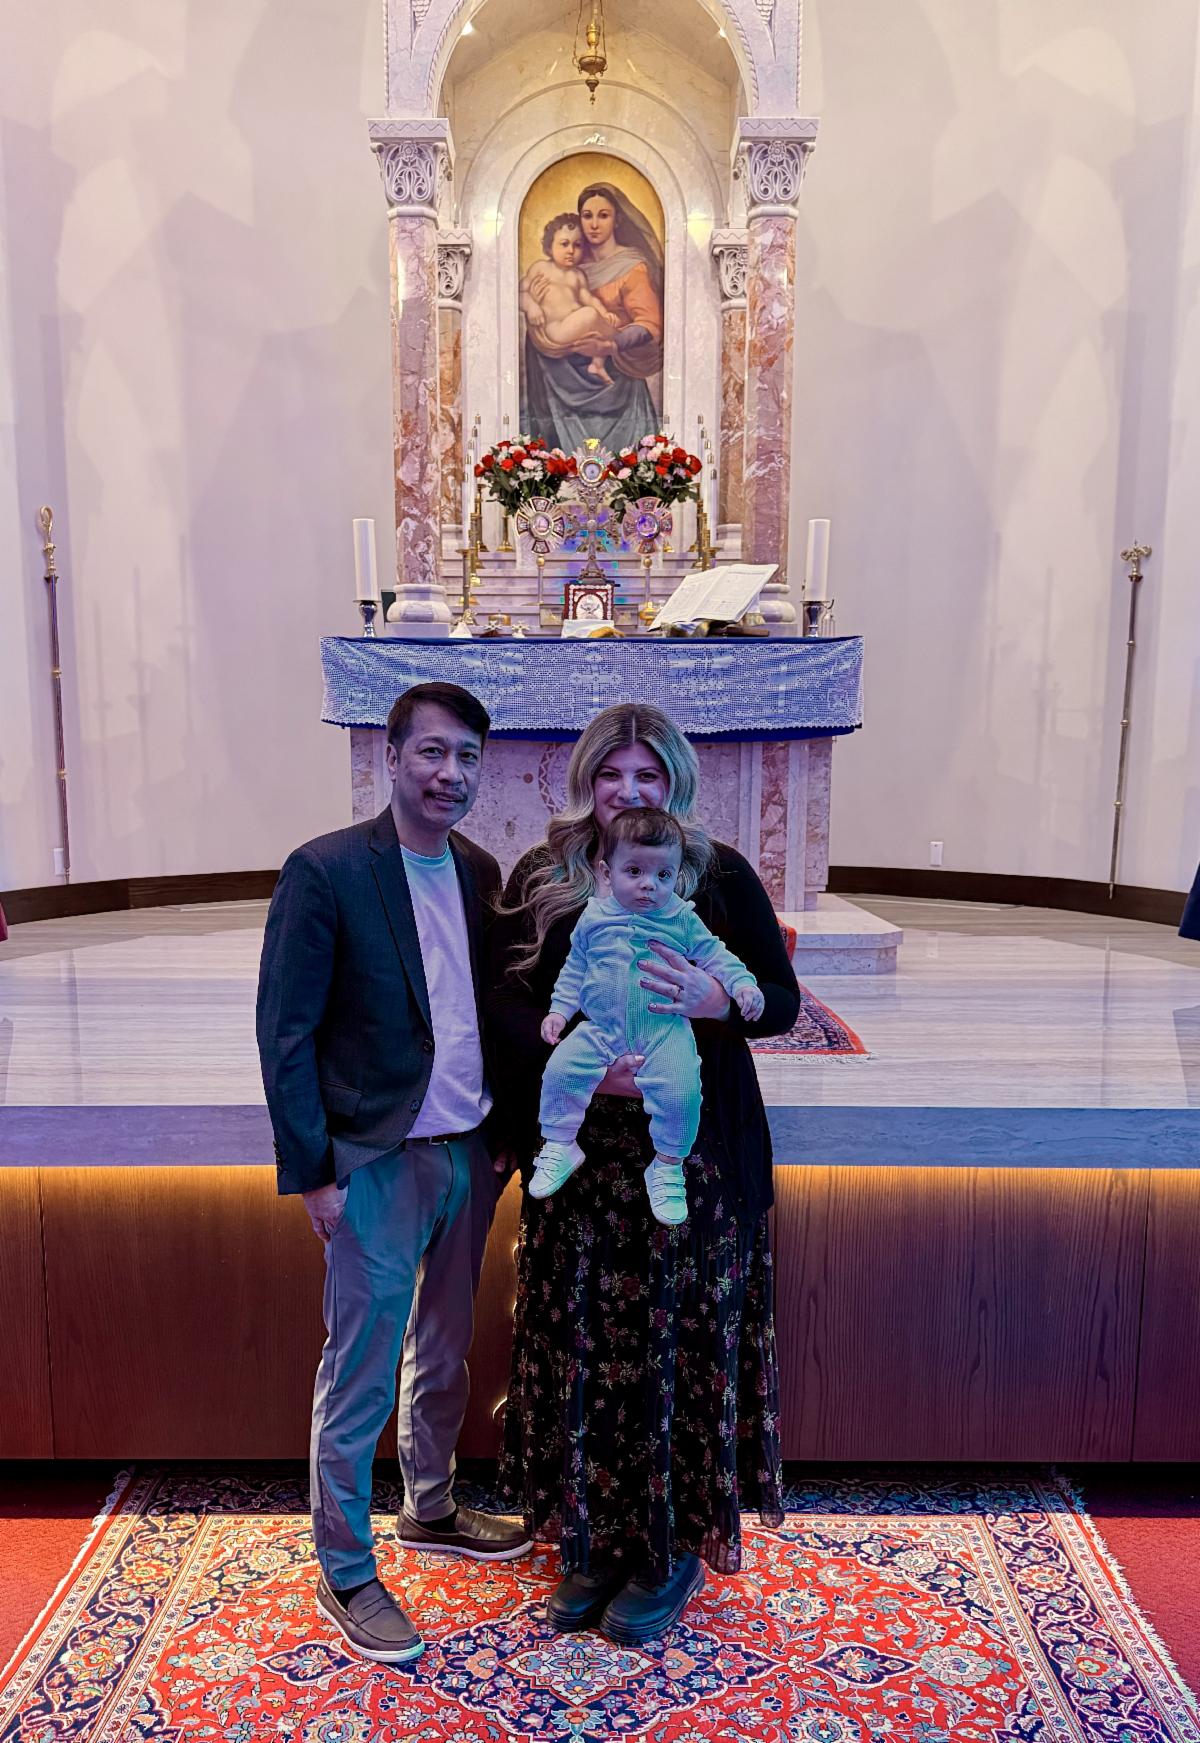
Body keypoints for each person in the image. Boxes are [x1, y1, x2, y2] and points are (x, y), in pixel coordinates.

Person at [489, 703, 798, 1645]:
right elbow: (509, 1007)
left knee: (673, 1349)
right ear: (586, 779)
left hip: (690, 1157)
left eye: (648, 775)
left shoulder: (718, 872)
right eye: (612, 774)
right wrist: (575, 1062)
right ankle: (591, 1540)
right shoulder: (545, 873)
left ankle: (664, 1550)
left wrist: (715, 1000)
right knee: (587, 1342)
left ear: (676, 783)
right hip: (584, 1159)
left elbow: (779, 999)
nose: (628, 791)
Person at [256, 681, 528, 1666]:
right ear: (393, 756)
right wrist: (314, 1172)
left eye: (467, 757)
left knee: (445, 1349)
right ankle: (344, 1568)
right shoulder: (327, 870)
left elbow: (491, 1008)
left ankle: (432, 1504)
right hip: (372, 1158)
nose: (450, 773)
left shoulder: (481, 870)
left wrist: (503, 1133)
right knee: (361, 1367)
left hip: (467, 1152)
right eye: (432, 753)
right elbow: (285, 1030)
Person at [533, 806, 764, 1224]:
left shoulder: (680, 918)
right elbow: (575, 967)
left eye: (663, 875)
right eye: (635, 871)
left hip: (664, 1030)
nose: (649, 885)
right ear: (607, 873)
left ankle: (668, 1166)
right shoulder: (594, 916)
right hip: (600, 1029)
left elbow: (717, 955)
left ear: (677, 875)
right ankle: (560, 1143)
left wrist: (742, 985)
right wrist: (558, 1011)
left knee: (682, 1092)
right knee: (560, 1072)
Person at [521, 182, 664, 456]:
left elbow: (650, 324)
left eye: (603, 215)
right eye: (587, 216)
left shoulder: (631, 267)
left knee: (627, 464)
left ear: (617, 220)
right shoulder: (568, 262)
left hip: (616, 381)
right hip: (560, 381)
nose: (594, 224)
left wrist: (611, 345)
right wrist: (535, 304)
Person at [520, 214, 622, 385]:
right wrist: (531, 306)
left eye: (577, 245)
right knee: (591, 316)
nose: (571, 251)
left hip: (574, 328)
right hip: (555, 330)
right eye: (564, 244)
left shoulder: (577, 275)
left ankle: (597, 364)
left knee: (600, 327)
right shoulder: (541, 268)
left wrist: (605, 314)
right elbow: (518, 292)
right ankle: (617, 341)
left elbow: (589, 299)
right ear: (549, 246)